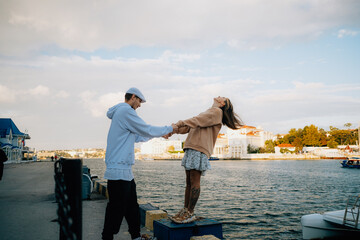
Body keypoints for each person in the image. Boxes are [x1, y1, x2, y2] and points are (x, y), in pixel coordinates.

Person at [102, 87, 175, 240]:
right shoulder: (125, 111)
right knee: (116, 210)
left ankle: (135, 236)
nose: (140, 105)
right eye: (139, 101)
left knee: (131, 207)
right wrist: (170, 128)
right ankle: (106, 237)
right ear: (133, 97)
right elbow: (145, 128)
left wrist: (161, 135)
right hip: (119, 170)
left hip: (124, 170)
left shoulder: (120, 114)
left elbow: (138, 137)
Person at [168, 96, 243, 223]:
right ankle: (185, 210)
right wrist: (172, 130)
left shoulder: (216, 112)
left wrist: (177, 124)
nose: (218, 96)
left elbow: (196, 120)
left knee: (194, 182)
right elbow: (191, 126)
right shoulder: (210, 112)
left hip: (199, 148)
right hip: (192, 147)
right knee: (189, 183)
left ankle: (190, 212)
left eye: (221, 97)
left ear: (222, 103)